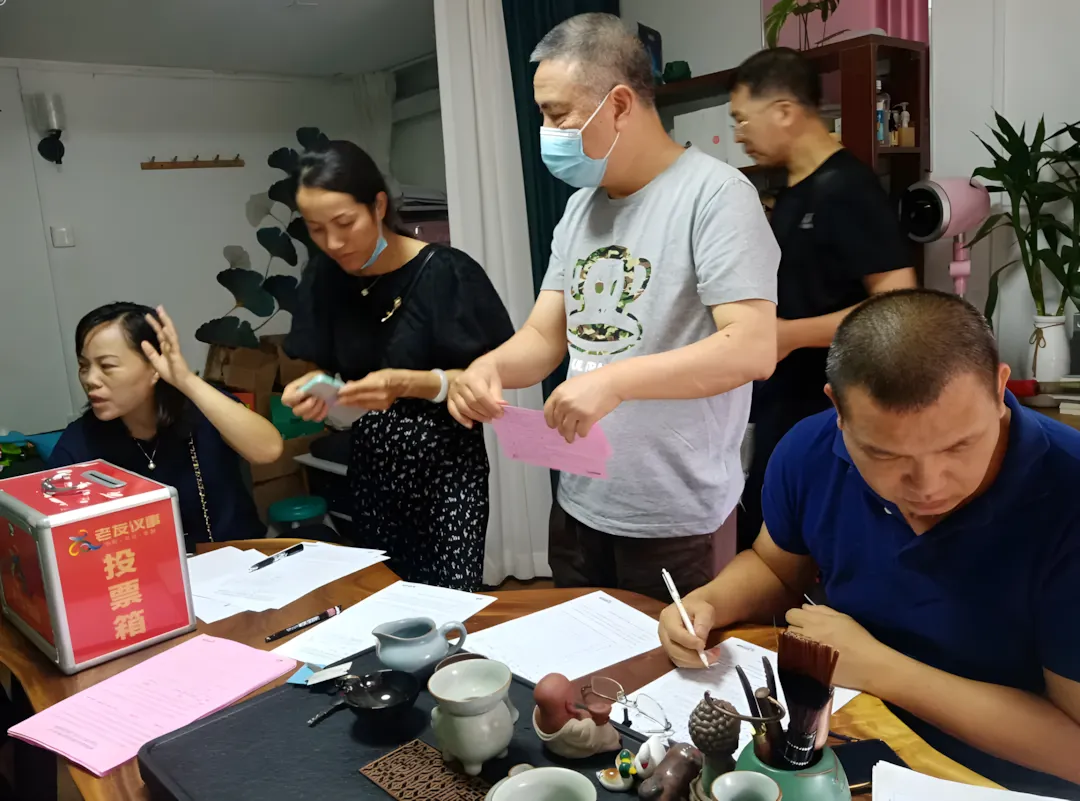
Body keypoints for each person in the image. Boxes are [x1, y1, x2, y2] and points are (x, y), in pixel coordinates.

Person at [658, 290, 1080, 797]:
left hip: (999, 782)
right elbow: (774, 568)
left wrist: (881, 669)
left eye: (959, 446)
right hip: (850, 741)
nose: (928, 486)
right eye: (885, 454)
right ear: (837, 409)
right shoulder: (810, 451)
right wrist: (708, 602)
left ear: (999, 387)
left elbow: (1073, 750)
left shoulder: (1067, 493)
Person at [449, 13, 780, 601]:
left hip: (675, 517)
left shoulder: (717, 196)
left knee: (669, 658)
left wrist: (614, 382)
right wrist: (489, 367)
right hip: (581, 498)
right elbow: (544, 337)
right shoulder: (580, 208)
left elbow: (751, 348)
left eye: (557, 114)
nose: (547, 131)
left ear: (620, 104)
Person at [281, 141, 514, 591]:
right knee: (386, 597)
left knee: (449, 602)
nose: (333, 243)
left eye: (345, 223)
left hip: (447, 468)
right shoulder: (324, 276)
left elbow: (492, 378)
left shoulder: (446, 273)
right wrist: (312, 386)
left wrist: (410, 384)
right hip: (372, 465)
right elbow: (320, 365)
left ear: (378, 205)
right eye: (316, 229)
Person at [729, 48, 918, 550]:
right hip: (785, 403)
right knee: (764, 536)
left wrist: (789, 335)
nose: (739, 134)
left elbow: (898, 303)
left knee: (800, 547)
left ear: (784, 111)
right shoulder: (793, 193)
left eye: (742, 119)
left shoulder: (847, 188)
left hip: (832, 409)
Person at [49, 303, 281, 548]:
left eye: (106, 366)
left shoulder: (204, 409)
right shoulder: (80, 442)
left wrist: (185, 380)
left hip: (239, 559)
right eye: (84, 366)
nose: (90, 379)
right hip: (144, 570)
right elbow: (58, 536)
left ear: (154, 367)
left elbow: (268, 450)